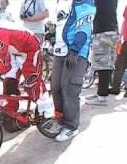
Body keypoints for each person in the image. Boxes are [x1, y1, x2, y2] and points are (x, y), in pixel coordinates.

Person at [0, 0, 52, 132]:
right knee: (9, 82)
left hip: (29, 50)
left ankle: (47, 111)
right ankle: (12, 110)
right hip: (14, 53)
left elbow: (0, 54)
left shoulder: (1, 31)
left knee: (32, 82)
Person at [51, 0, 96, 142]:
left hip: (75, 51)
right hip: (59, 51)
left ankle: (71, 127)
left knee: (69, 89)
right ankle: (60, 121)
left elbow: (85, 26)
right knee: (56, 88)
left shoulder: (83, 1)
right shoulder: (60, 3)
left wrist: (75, 50)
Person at [85, 0, 119, 106]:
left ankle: (101, 97)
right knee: (105, 64)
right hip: (110, 30)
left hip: (103, 31)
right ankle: (101, 93)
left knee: (102, 64)